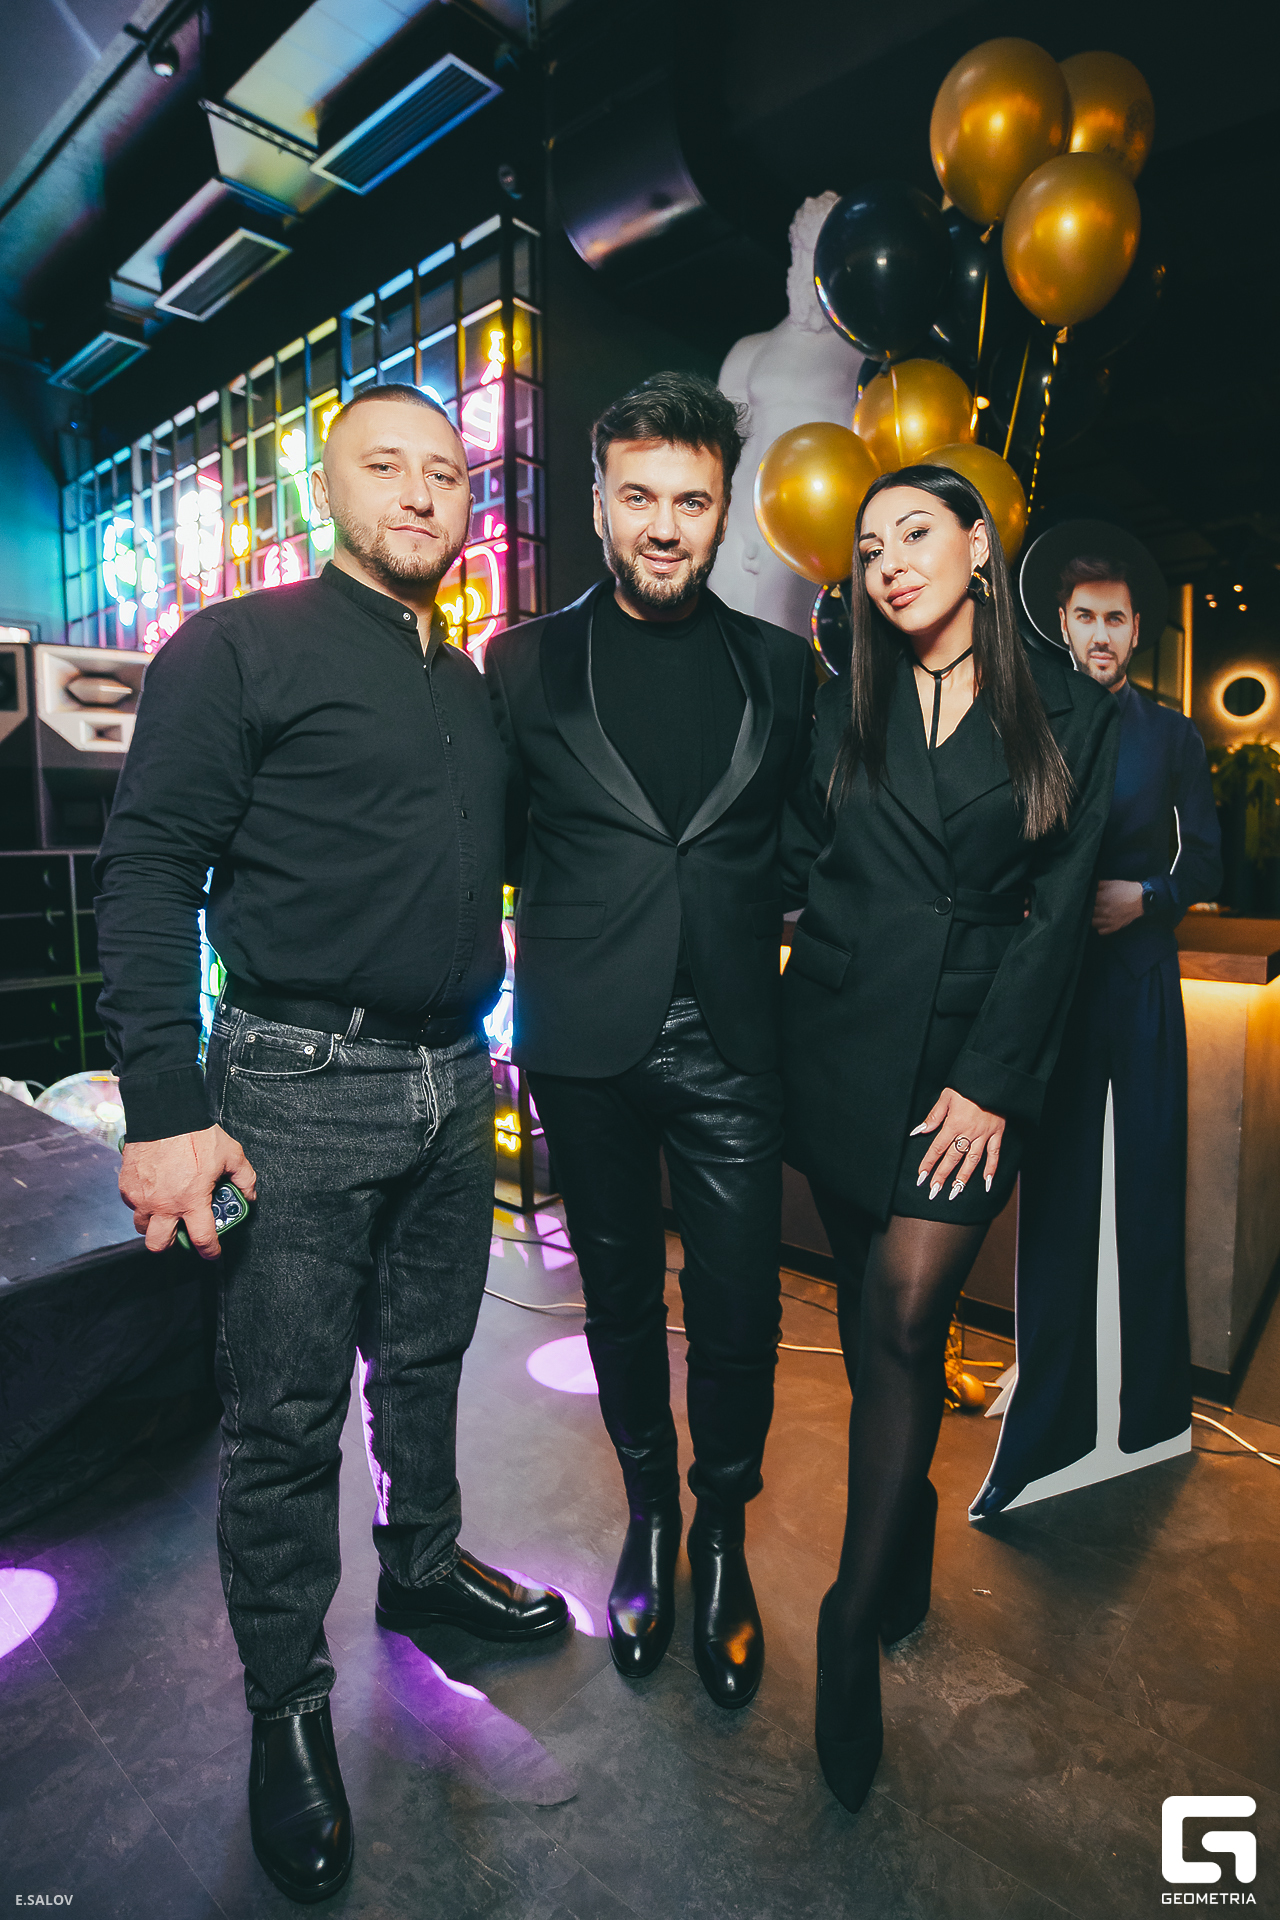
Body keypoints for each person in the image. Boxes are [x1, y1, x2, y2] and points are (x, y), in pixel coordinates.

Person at [94, 385, 568, 1906]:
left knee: (425, 1363)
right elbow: (148, 872)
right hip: (293, 1083)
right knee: (285, 1417)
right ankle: (289, 1707)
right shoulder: (237, 646)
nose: (422, 493)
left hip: (452, 1080)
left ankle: (419, 1573)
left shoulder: (468, 683)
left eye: (446, 472)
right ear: (327, 488)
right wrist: (165, 1108)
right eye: (386, 466)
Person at [780, 466, 1121, 1814]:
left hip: (970, 1066)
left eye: (915, 533)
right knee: (874, 1323)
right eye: (868, 548)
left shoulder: (1073, 707)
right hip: (840, 1047)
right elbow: (797, 856)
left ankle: (847, 1617)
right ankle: (907, 1518)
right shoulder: (839, 701)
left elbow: (1060, 914)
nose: (889, 562)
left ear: (976, 545)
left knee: (909, 1311)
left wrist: (990, 1082)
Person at [484, 371, 815, 1710]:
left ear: (723, 509)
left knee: (739, 1313)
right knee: (617, 1301)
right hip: (585, 1038)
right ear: (599, 502)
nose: (665, 525)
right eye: (640, 497)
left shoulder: (782, 669)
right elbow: (496, 844)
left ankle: (722, 1532)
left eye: (691, 500)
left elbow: (805, 845)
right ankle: (651, 1519)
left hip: (731, 1033)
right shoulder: (521, 664)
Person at [971, 528, 1223, 1515]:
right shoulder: (1028, 724)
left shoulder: (1173, 735)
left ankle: (1151, 1416)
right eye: (1085, 617)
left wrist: (1146, 899)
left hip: (1143, 981)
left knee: (1149, 1188)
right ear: (1062, 625)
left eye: (1115, 617)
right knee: (1057, 1203)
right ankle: (1048, 1426)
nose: (1101, 633)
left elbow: (1204, 860)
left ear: (1135, 628)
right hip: (1058, 990)